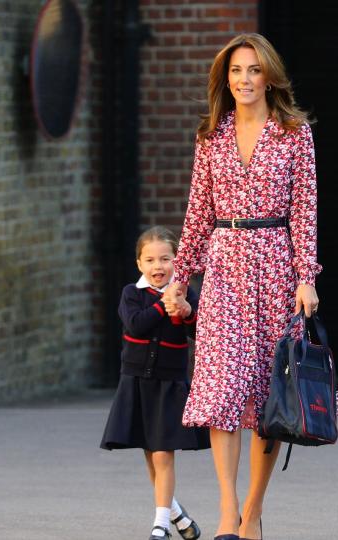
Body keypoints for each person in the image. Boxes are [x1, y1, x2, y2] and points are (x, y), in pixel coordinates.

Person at [163, 33, 322, 540]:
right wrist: (179, 277)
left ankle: (253, 510)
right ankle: (229, 512)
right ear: (225, 78)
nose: (245, 80)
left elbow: (305, 212)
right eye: (236, 71)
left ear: (269, 76)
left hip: (276, 264)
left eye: (254, 70)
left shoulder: (294, 134)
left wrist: (306, 277)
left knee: (267, 397)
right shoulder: (211, 135)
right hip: (225, 267)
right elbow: (197, 213)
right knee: (220, 389)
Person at [100, 226, 210, 540]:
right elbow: (136, 325)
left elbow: (199, 330)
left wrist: (187, 310)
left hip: (169, 382)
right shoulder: (131, 294)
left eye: (165, 258)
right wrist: (164, 304)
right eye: (150, 260)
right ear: (139, 264)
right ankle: (177, 515)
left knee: (163, 453)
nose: (157, 266)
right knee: (150, 453)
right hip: (136, 381)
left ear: (177, 261)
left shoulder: (186, 292)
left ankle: (160, 524)